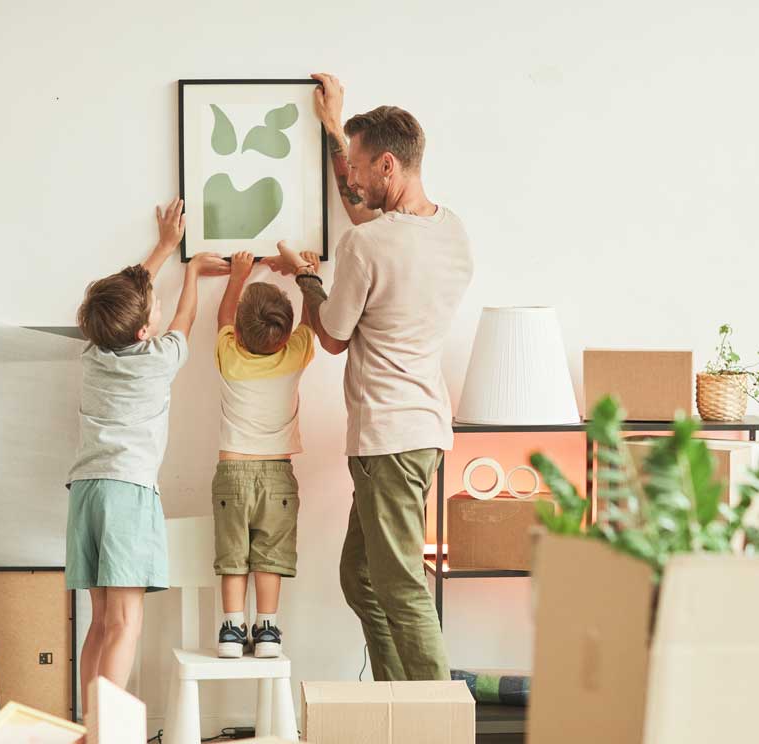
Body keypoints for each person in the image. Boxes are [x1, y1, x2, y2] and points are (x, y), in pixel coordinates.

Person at [266, 73, 474, 681]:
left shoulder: (367, 248)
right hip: (422, 432)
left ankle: (434, 720)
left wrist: (304, 276)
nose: (350, 179)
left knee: (401, 586)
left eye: (358, 166)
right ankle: (394, 701)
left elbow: (330, 336)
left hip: (387, 439)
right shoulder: (453, 232)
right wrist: (335, 129)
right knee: (360, 576)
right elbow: (366, 219)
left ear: (388, 164)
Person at [65, 199, 229, 710]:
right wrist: (194, 275)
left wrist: (163, 248)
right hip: (127, 493)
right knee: (126, 624)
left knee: (100, 623)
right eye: (150, 307)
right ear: (143, 332)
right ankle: (108, 734)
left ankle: (90, 727)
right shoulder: (159, 359)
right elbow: (185, 318)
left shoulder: (92, 354)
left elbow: (131, 297)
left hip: (86, 494)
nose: (158, 306)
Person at [212, 250, 318, 658]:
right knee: (269, 556)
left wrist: (237, 275)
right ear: (285, 334)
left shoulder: (229, 355)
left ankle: (232, 629)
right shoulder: (295, 355)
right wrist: (308, 276)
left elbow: (222, 316)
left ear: (238, 334)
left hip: (232, 470)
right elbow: (311, 322)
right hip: (278, 475)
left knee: (233, 554)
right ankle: (268, 630)